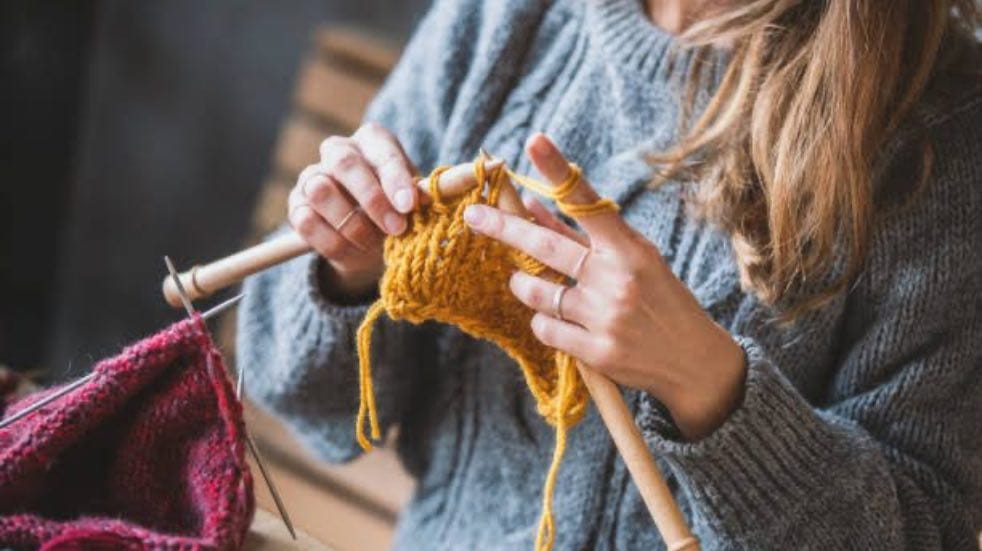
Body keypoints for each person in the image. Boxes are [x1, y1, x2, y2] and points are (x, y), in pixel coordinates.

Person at [237, 0, 982, 548]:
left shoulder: (942, 127)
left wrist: (709, 384)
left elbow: (925, 528)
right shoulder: (507, 17)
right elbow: (291, 387)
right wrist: (350, 268)